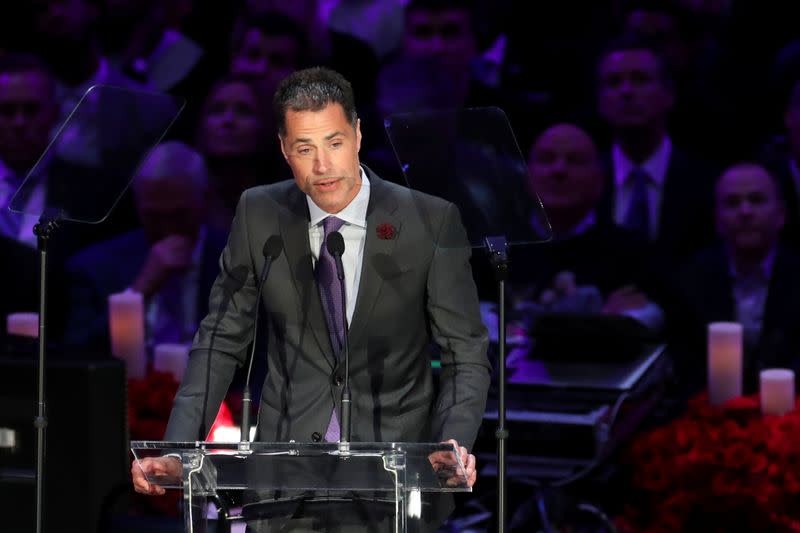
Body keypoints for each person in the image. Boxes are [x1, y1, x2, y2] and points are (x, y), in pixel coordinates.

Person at [132, 67, 491, 529]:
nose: (322, 166)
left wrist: (451, 445)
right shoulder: (259, 213)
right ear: (284, 149)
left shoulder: (430, 221)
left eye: (334, 142)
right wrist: (179, 449)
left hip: (394, 485)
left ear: (358, 135)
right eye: (305, 148)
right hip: (282, 484)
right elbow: (220, 340)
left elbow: (466, 352)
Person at [64, 141, 227, 351]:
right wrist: (140, 290)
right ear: (138, 204)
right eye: (154, 216)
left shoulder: (242, 259)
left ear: (204, 200)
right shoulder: (94, 267)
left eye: (179, 215)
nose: (167, 228)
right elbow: (77, 356)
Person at [670, 163, 800, 399]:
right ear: (717, 220)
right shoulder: (690, 279)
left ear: (781, 215)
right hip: (709, 414)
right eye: (732, 203)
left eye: (757, 200)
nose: (745, 211)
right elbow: (685, 367)